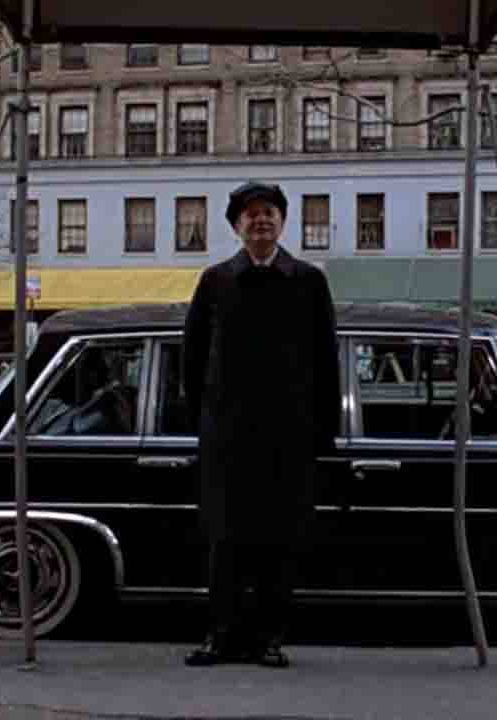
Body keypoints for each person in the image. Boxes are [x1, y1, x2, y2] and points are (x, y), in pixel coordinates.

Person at [181, 181, 340, 669]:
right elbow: (192, 357)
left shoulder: (309, 281)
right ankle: (220, 637)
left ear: (282, 222)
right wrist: (202, 423)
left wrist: (323, 431)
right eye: (251, 214)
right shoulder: (215, 281)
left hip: (288, 435)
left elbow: (327, 358)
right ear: (237, 226)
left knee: (279, 542)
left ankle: (270, 639)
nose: (261, 220)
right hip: (227, 436)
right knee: (224, 542)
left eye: (269, 212)